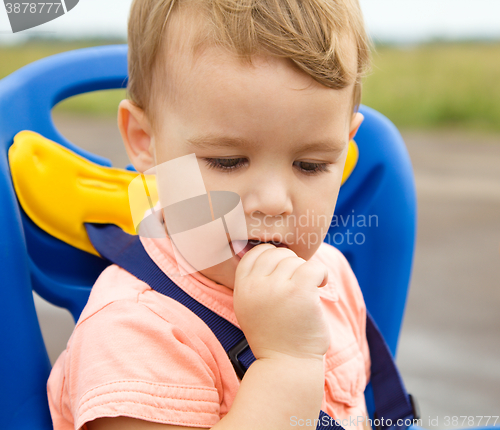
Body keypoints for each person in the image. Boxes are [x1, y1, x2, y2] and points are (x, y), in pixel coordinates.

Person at [46, 0, 373, 429]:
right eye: (228, 161)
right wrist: (287, 364)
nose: (273, 202)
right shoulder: (134, 331)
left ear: (345, 145)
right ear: (146, 141)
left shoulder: (330, 276)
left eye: (311, 165)